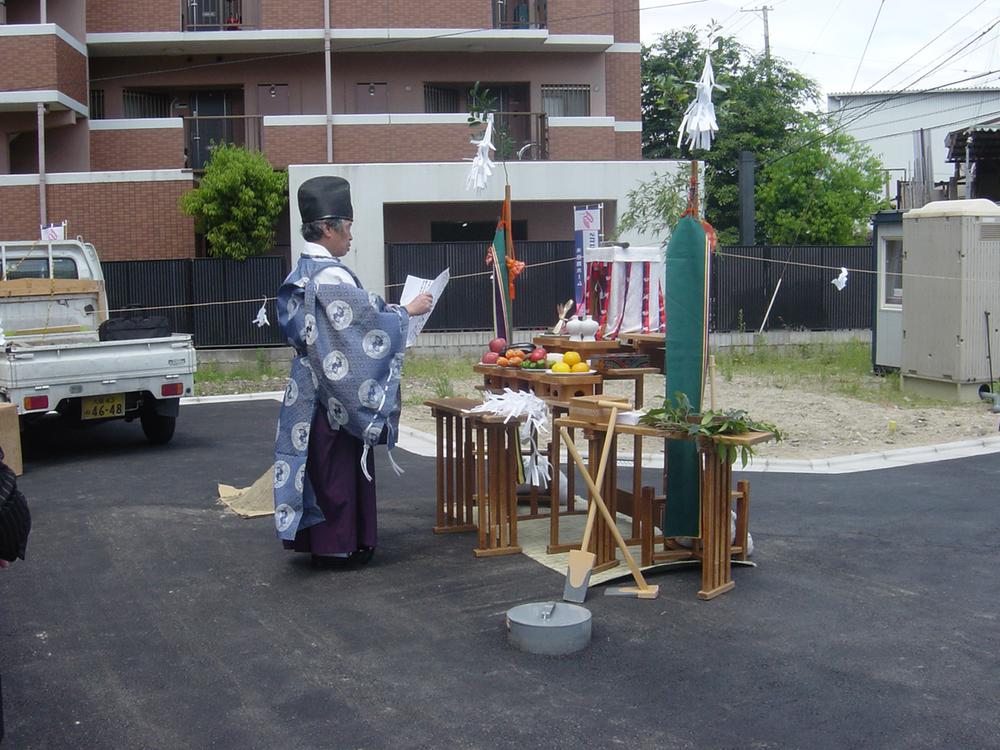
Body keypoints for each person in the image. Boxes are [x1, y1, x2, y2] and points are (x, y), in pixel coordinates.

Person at [273, 176, 432, 567]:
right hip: (333, 391)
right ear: (327, 227)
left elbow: (360, 312)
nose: (350, 238)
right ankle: (339, 545)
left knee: (320, 465)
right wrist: (405, 313)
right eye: (347, 228)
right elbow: (362, 328)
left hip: (309, 387)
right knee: (336, 470)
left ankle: (332, 541)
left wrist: (384, 309)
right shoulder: (331, 276)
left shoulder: (306, 271)